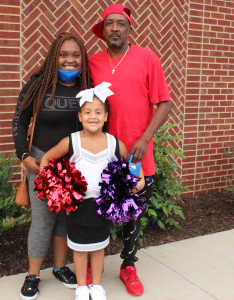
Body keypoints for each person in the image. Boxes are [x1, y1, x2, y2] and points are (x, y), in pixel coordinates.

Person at [89, 3, 172, 296]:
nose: (115, 28)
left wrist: (145, 138)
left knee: (132, 213)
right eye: (109, 23)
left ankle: (128, 265)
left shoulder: (147, 58)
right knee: (95, 209)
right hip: (101, 154)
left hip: (137, 155)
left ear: (128, 28)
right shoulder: (92, 63)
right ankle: (91, 263)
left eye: (120, 24)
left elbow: (164, 102)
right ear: (103, 30)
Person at [39, 82, 145, 300]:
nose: (93, 116)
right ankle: (81, 287)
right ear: (79, 116)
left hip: (103, 206)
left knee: (98, 248)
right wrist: (51, 183)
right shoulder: (72, 141)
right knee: (79, 249)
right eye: (87, 112)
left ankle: (96, 286)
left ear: (106, 116)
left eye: (98, 112)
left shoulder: (114, 143)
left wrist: (137, 184)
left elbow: (136, 169)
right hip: (78, 206)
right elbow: (47, 159)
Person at [12, 32, 91, 300]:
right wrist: (24, 155)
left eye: (75, 55)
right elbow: (19, 121)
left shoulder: (88, 88)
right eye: (64, 54)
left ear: (83, 58)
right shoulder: (38, 84)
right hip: (41, 161)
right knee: (43, 221)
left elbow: (100, 122)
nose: (70, 60)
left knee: (64, 222)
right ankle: (32, 275)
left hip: (73, 164)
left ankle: (59, 268)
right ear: (54, 56)